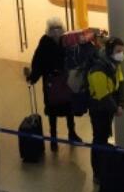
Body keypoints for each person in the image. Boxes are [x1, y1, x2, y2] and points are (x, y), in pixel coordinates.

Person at [25, 18, 82, 152]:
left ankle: (72, 133)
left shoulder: (66, 40)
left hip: (65, 79)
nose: (56, 31)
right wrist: (33, 77)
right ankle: (53, 139)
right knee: (52, 111)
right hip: (50, 81)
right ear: (48, 30)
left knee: (69, 109)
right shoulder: (44, 42)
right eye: (53, 28)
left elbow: (73, 56)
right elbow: (38, 61)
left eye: (58, 27)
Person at [87, 37, 124, 181]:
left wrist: (121, 102)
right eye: (118, 51)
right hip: (98, 108)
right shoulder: (98, 69)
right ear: (110, 51)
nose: (121, 54)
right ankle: (97, 172)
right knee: (99, 138)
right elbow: (103, 95)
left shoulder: (115, 64)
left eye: (122, 51)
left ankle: (104, 166)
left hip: (108, 107)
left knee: (103, 137)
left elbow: (120, 81)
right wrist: (117, 109)